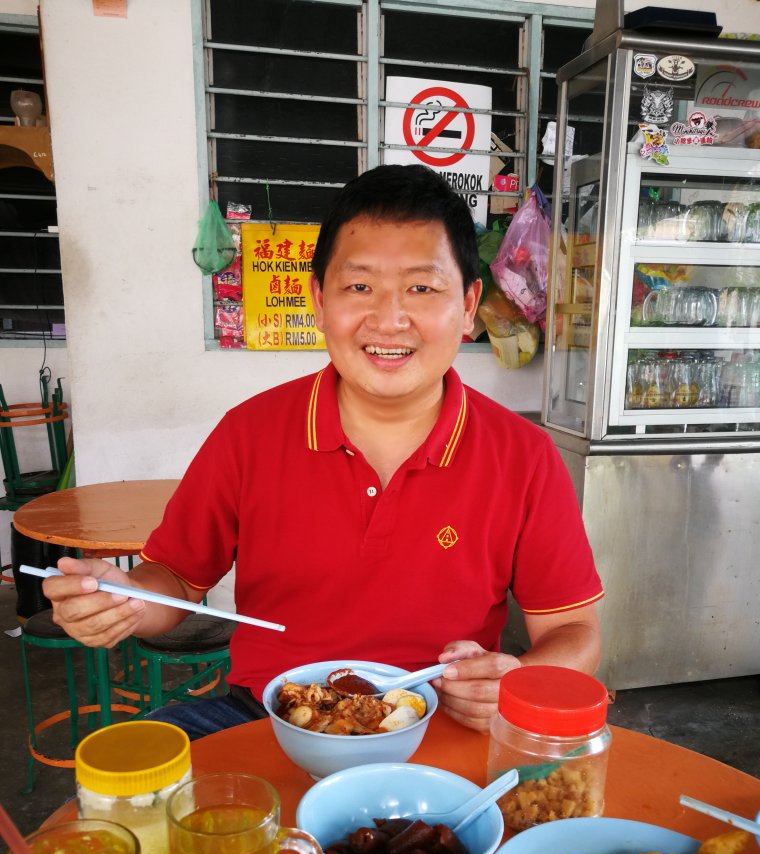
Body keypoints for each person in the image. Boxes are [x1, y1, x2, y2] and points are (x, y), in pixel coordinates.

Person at [44, 164, 603, 740]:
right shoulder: (249, 433)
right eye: (359, 287)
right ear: (318, 300)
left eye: (422, 288)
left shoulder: (524, 456)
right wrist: (128, 601)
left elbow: (575, 630)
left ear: (467, 307)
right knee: (127, 781)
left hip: (439, 727)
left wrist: (515, 680)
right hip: (265, 714)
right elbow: (178, 583)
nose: (389, 320)